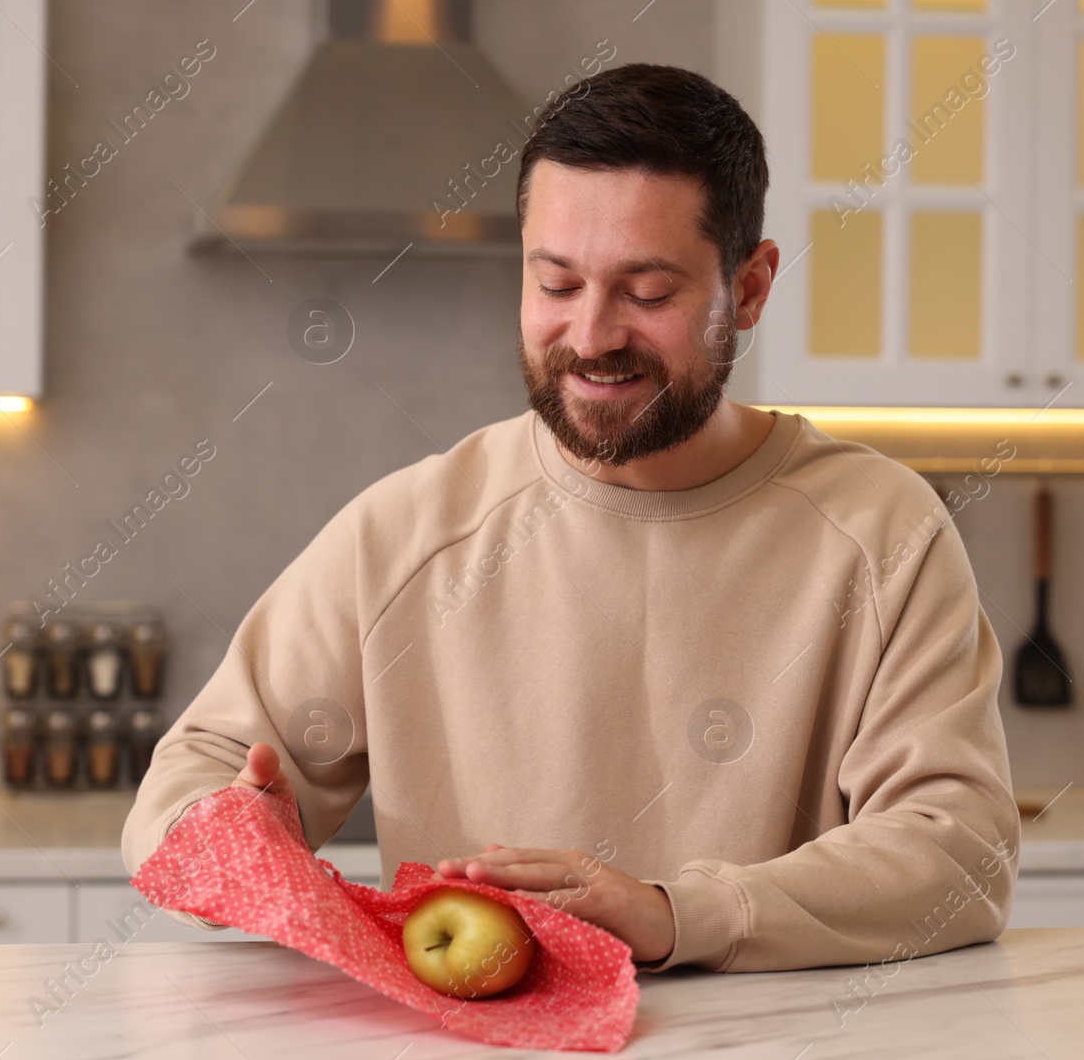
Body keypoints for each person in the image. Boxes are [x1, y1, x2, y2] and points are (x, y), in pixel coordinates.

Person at [123, 62, 1018, 973]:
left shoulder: (882, 533)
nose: (591, 336)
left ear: (749, 289)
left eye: (648, 292)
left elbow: (958, 852)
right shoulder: (406, 535)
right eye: (555, 284)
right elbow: (197, 770)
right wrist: (234, 830)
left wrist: (677, 914)